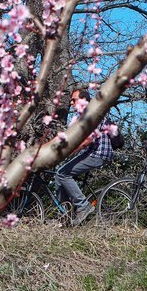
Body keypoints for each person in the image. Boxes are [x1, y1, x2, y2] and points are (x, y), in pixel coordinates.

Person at [54, 88, 113, 226]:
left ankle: (82, 205)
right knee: (58, 175)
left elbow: (87, 140)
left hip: (99, 153)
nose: (71, 103)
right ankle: (64, 215)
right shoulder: (81, 117)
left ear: (84, 100)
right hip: (92, 152)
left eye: (74, 100)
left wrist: (68, 153)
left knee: (62, 174)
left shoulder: (92, 114)